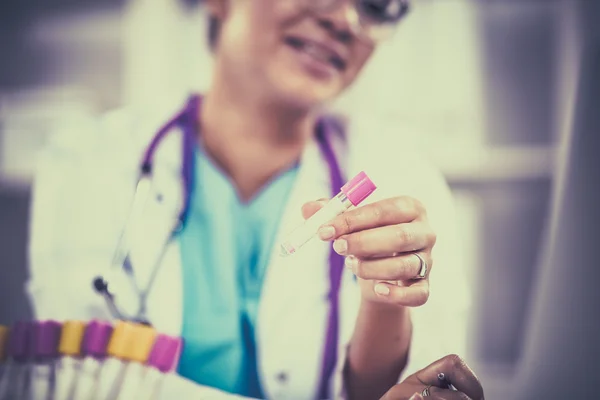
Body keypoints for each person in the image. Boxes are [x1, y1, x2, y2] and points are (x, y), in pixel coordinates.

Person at [26, 0, 475, 399]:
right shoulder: (88, 162)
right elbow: (79, 378)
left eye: (375, 5)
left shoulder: (403, 181)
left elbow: (402, 387)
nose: (344, 20)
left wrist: (384, 302)